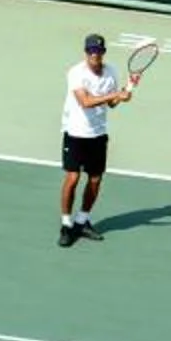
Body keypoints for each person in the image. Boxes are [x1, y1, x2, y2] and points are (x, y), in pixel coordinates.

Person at [59, 32, 132, 247]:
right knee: (73, 178)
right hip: (75, 132)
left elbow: (112, 104)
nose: (95, 55)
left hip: (98, 134)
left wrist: (124, 93)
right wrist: (114, 95)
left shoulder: (111, 72)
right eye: (91, 51)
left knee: (95, 179)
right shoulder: (75, 73)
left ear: (103, 53)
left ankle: (82, 221)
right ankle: (66, 224)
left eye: (98, 51)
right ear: (85, 53)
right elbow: (86, 102)